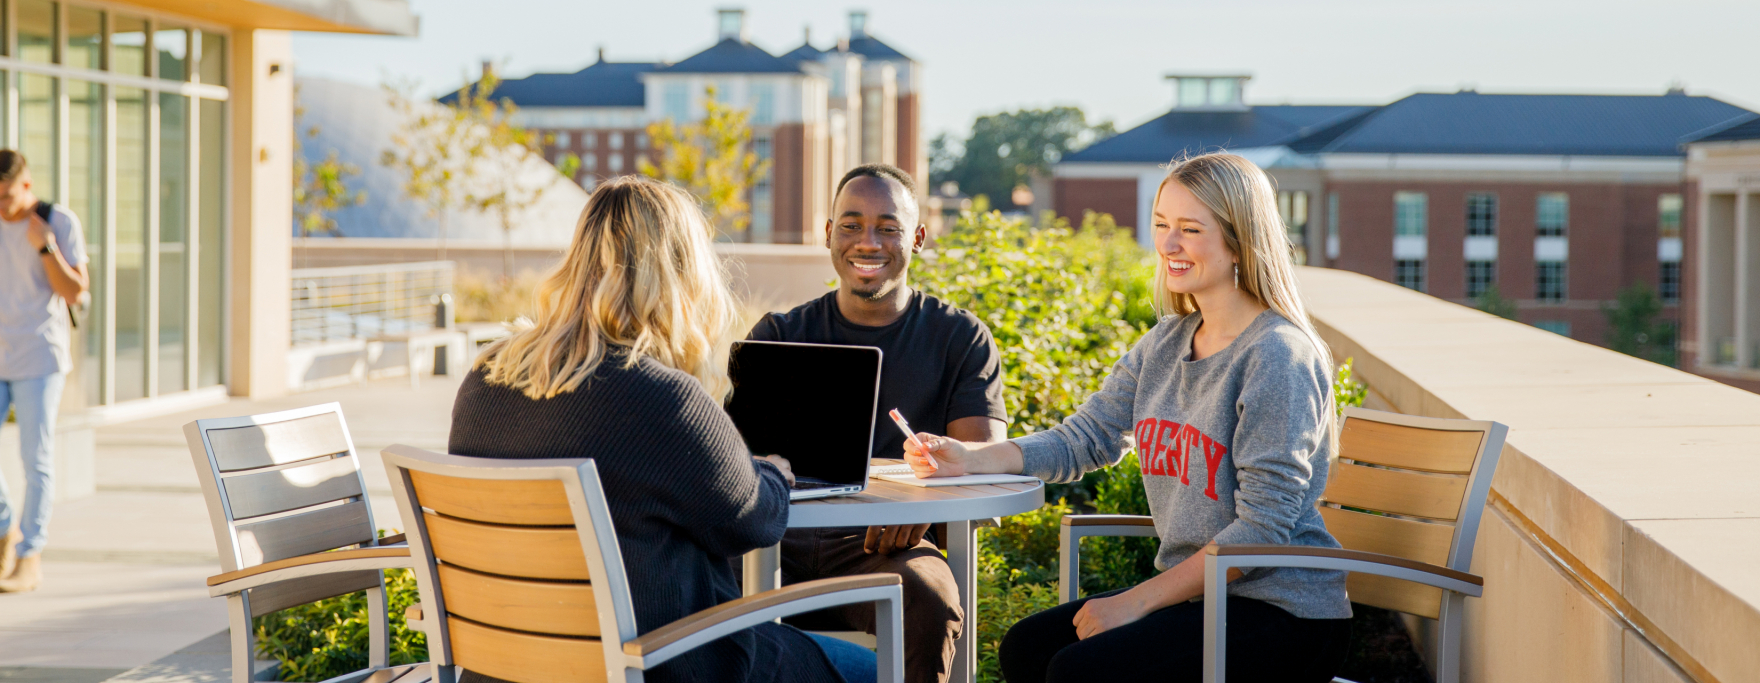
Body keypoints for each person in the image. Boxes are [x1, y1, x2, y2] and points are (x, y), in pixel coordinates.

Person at [903, 152, 1353, 682]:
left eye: (1189, 229)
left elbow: (1262, 529)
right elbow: (1085, 438)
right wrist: (967, 459)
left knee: (1081, 671)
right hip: (1206, 597)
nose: (1167, 245)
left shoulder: (1277, 355)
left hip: (1284, 612)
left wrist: (1137, 602)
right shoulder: (1167, 341)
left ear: (1240, 241)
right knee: (1027, 648)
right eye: (1162, 225)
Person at [447, 175, 875, 683]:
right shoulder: (663, 398)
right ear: (682, 274)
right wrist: (774, 475)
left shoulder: (486, 375)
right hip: (657, 660)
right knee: (871, 668)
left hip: (504, 664)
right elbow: (753, 523)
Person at [745, 163, 1005, 683]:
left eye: (888, 227)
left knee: (928, 598)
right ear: (828, 234)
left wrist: (920, 503)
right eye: (851, 225)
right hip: (778, 541)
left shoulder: (959, 339)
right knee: (686, 585)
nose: (868, 242)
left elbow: (983, 463)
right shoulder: (778, 333)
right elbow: (733, 460)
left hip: (888, 548)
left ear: (918, 239)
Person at [0, 149, 89, 594]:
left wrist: (46, 247)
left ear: (26, 185)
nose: (0, 205)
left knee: (37, 459)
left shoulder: (58, 221)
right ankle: (4, 529)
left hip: (39, 358)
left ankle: (30, 556)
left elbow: (74, 291)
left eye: (7, 195)